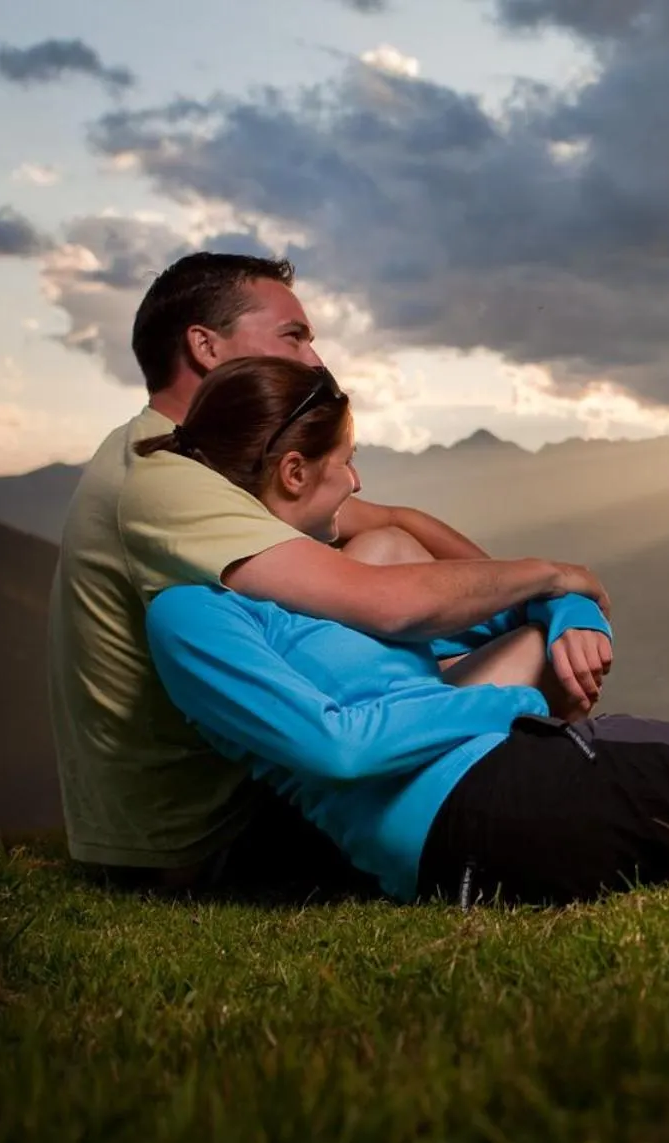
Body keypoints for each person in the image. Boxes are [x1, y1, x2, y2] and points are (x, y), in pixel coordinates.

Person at [141, 356, 669, 904]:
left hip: (493, 786)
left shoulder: (341, 576)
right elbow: (338, 746)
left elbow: (519, 599)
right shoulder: (193, 612)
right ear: (294, 474)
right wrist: (516, 706)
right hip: (465, 809)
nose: (359, 481)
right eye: (346, 461)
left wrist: (570, 614)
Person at [48, 251, 612, 893]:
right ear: (205, 346)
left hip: (249, 790)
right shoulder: (163, 485)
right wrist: (551, 577)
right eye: (295, 335)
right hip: (202, 844)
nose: (314, 360)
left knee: (396, 550)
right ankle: (508, 804)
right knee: (454, 617)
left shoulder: (197, 458)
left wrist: (546, 596)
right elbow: (386, 604)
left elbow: (393, 521)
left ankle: (510, 784)